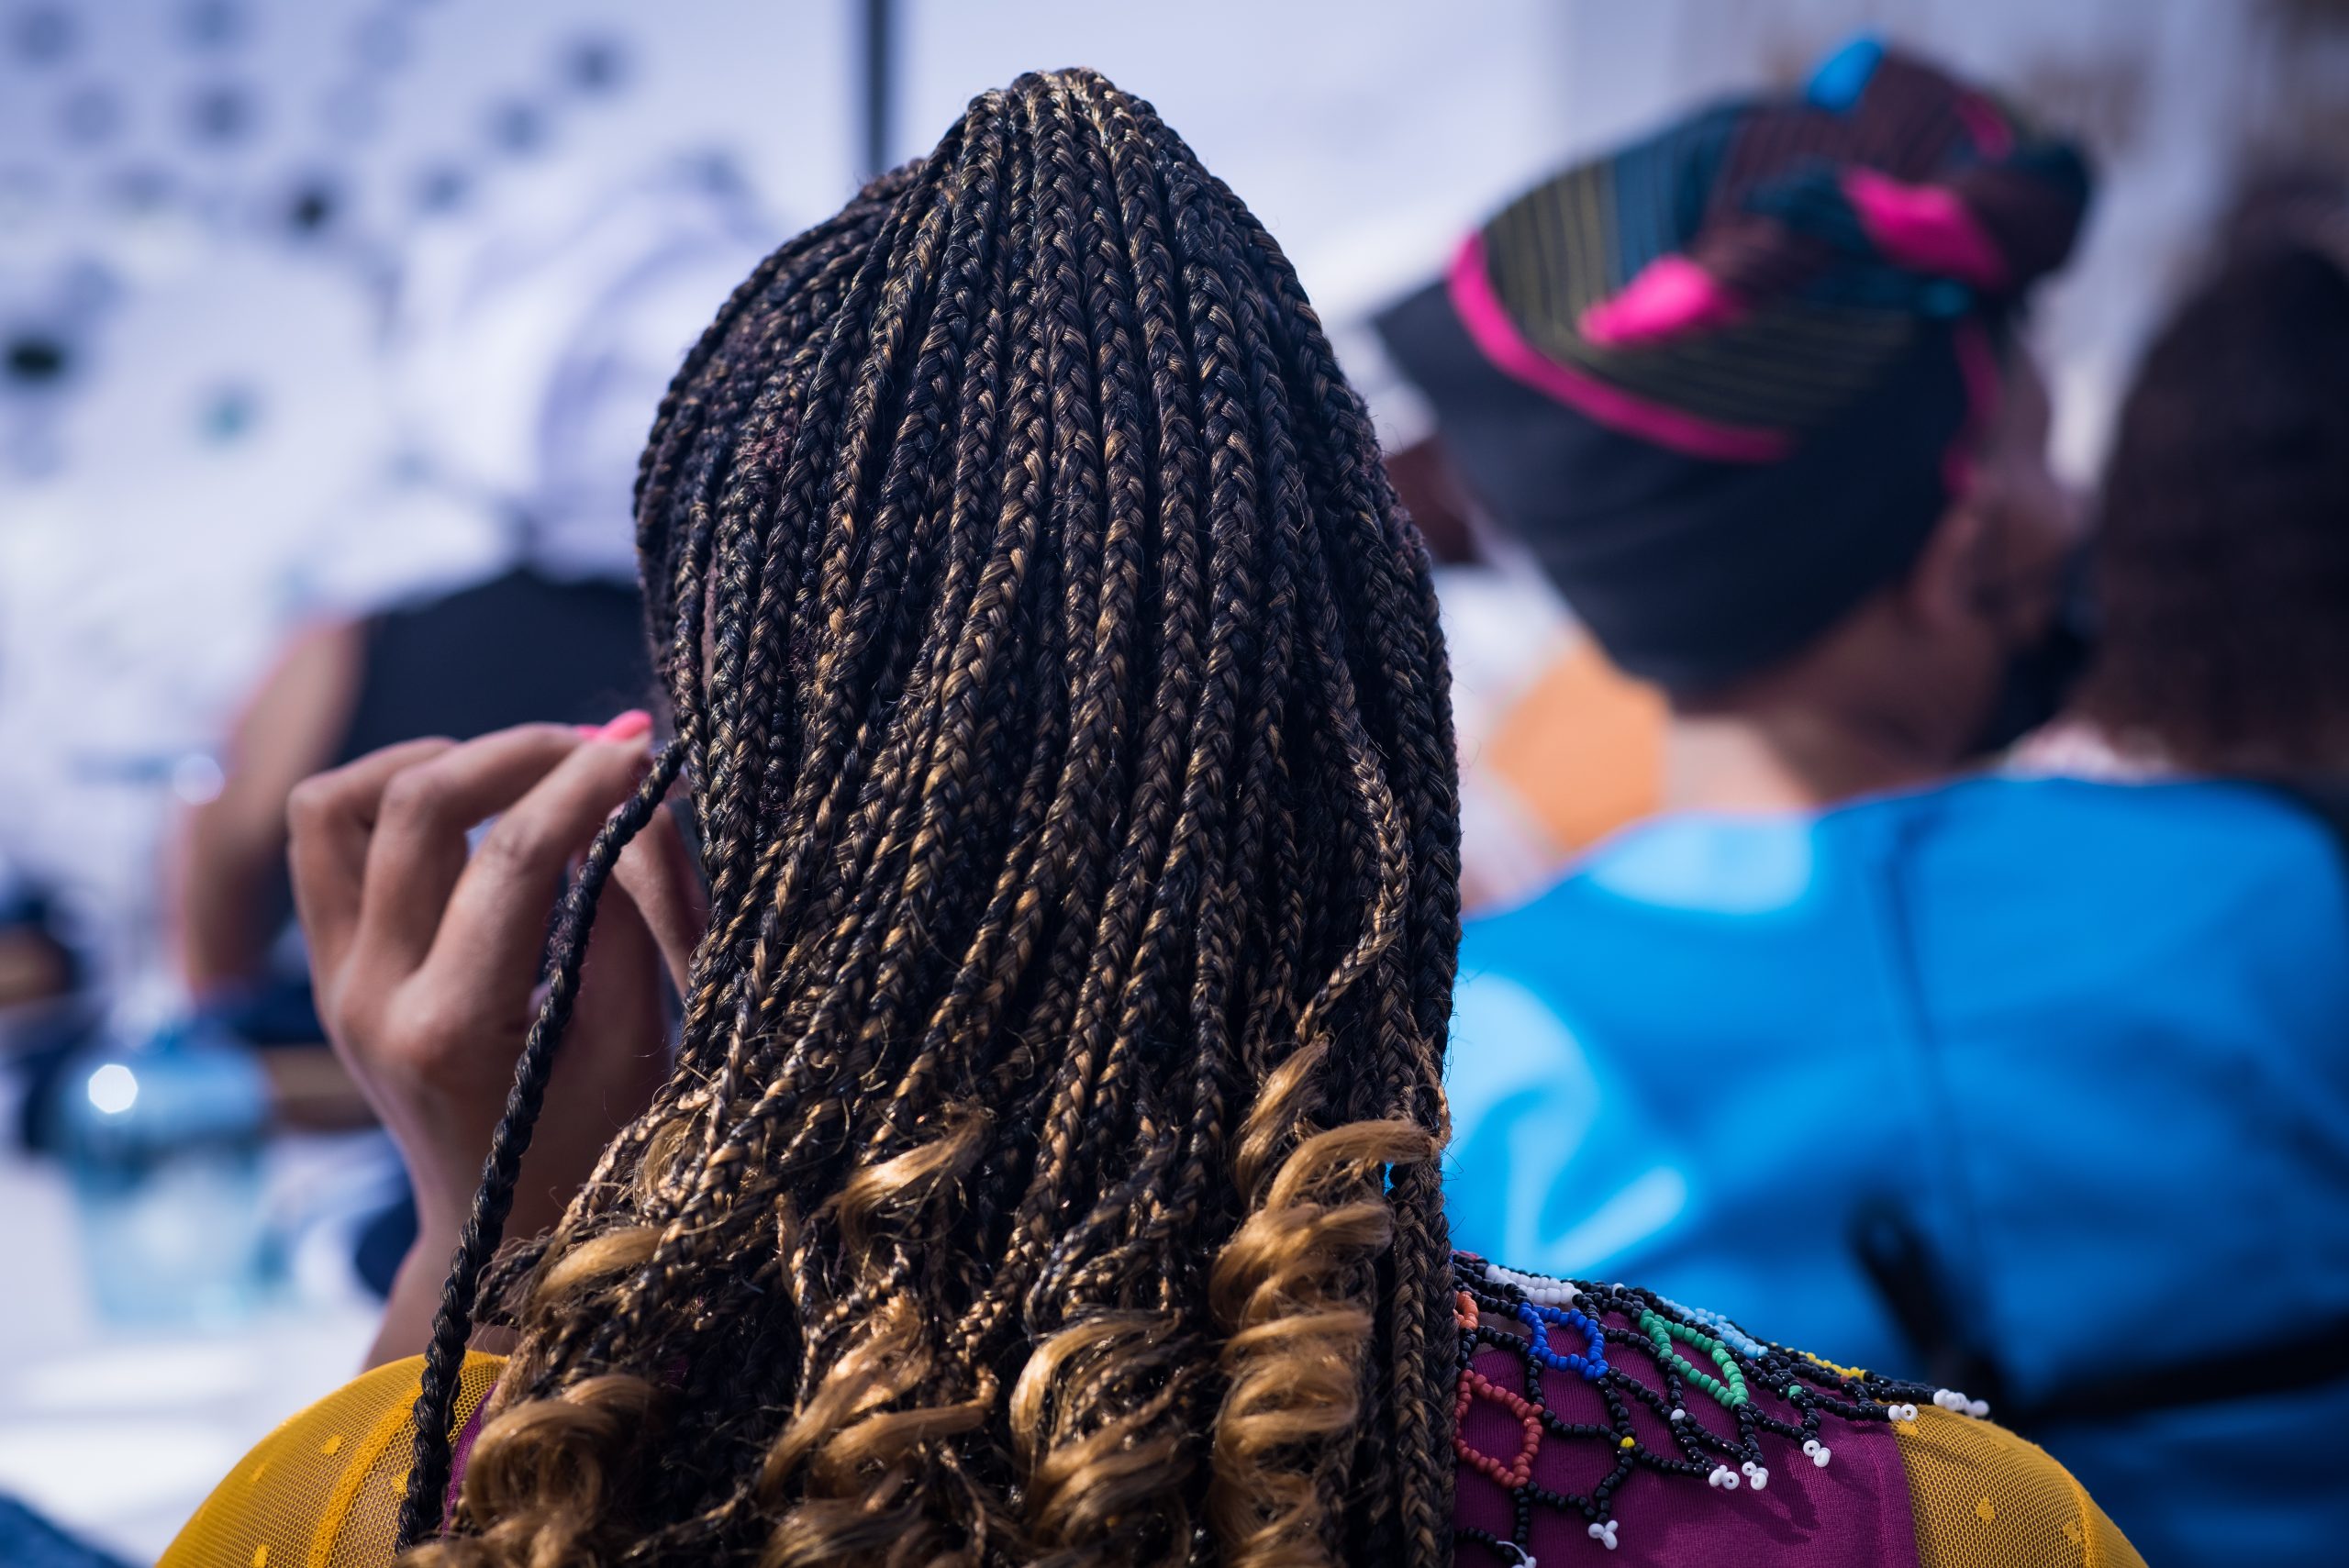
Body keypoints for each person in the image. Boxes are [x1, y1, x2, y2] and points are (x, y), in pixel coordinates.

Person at [159, 71, 2138, 1568]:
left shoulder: (376, 1502)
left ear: (687, 849)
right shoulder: (1913, 1513)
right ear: (1389, 794)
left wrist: (484, 1272)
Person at [1413, 50, 2349, 1567]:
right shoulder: (2291, 896)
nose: (2074, 506)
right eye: (2040, 452)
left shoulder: (1481, 1057)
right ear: (1951, 547)